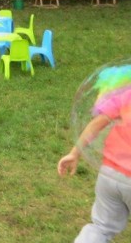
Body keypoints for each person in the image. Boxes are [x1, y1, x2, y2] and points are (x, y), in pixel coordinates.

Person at [58, 87, 131, 242]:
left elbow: (97, 123)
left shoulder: (127, 94)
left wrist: (74, 152)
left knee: (101, 227)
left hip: (109, 173)